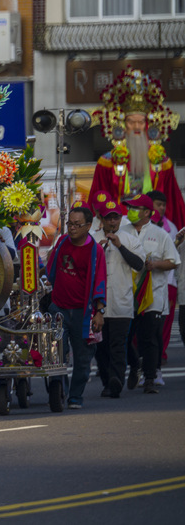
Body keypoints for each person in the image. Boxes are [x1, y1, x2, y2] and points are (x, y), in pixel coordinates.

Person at [89, 68, 185, 228]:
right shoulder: (107, 162)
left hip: (155, 225)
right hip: (118, 225)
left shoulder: (162, 162)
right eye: (131, 121)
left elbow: (173, 202)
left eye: (141, 122)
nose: (136, 126)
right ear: (123, 125)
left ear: (148, 125)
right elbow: (99, 198)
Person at [44, 206, 107, 410]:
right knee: (56, 356)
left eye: (77, 225)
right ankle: (58, 391)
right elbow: (50, 267)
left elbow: (100, 282)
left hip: (83, 312)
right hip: (59, 309)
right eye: (70, 224)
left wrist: (99, 312)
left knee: (82, 358)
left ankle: (75, 397)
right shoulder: (62, 241)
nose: (72, 228)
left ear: (88, 226)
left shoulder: (95, 251)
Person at [123, 194, 179, 394]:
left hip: (153, 296)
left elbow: (173, 261)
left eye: (135, 208)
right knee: (126, 338)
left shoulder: (160, 233)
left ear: (147, 212)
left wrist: (155, 264)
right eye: (129, 207)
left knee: (149, 338)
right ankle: (134, 366)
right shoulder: (122, 231)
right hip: (126, 295)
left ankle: (149, 378)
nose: (130, 211)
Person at [89, 197, 144, 398]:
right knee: (101, 347)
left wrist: (120, 246)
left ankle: (117, 381)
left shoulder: (130, 239)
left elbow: (139, 265)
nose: (113, 222)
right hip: (98, 305)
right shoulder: (92, 239)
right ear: (101, 219)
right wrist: (100, 251)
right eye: (109, 218)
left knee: (118, 344)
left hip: (122, 302)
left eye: (116, 218)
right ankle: (107, 381)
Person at [147, 190, 177, 384]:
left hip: (168, 282)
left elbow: (174, 257)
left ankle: (159, 358)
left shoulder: (170, 227)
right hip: (144, 284)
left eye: (163, 205)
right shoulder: (134, 228)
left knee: (162, 326)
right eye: (158, 204)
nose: (161, 208)